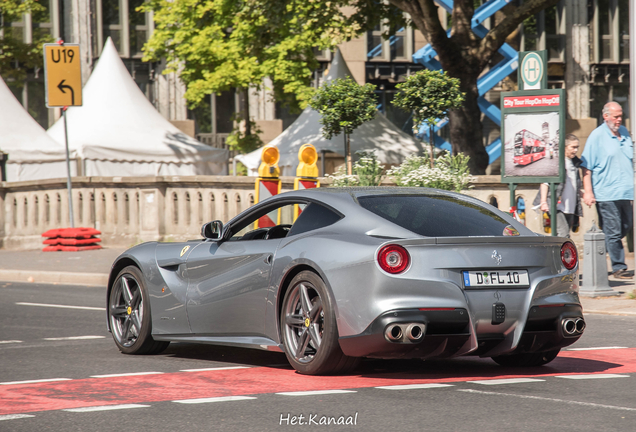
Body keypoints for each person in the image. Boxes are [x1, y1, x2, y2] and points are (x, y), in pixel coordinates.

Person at [581, 101, 634, 279]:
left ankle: (595, 256)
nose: (620, 120)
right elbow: (586, 167)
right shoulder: (596, 136)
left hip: (625, 192)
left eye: (621, 116)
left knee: (626, 226)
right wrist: (588, 192)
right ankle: (619, 267)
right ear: (606, 116)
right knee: (613, 231)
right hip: (606, 192)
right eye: (616, 116)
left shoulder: (625, 133)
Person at [533, 134, 583, 238]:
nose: (576, 150)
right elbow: (545, 182)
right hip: (556, 205)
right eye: (573, 147)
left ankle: (556, 254)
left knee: (561, 237)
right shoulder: (557, 162)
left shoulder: (575, 163)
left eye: (577, 147)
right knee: (564, 235)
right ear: (565, 147)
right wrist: (543, 202)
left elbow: (574, 183)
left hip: (570, 206)